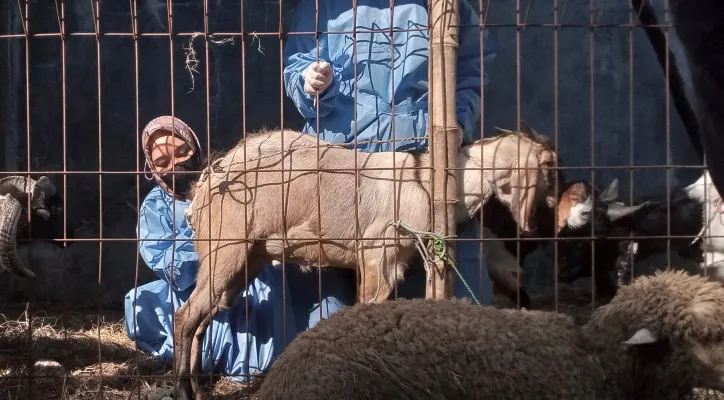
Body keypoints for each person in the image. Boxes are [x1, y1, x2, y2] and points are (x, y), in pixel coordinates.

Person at [283, 0, 496, 303]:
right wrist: (310, 83)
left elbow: (471, 76)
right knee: (326, 312)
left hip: (420, 170)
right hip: (339, 170)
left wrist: (455, 125)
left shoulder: (449, 7)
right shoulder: (322, 6)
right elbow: (297, 63)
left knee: (457, 296)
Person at [123, 116, 356, 382]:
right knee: (138, 305)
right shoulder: (155, 206)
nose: (176, 165)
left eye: (182, 152)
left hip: (255, 278)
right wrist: (215, 252)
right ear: (151, 169)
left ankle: (254, 358)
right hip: (194, 289)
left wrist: (243, 251)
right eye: (163, 163)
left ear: (196, 148)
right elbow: (166, 263)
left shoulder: (229, 179)